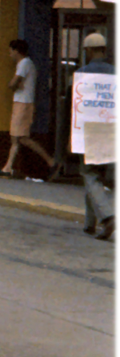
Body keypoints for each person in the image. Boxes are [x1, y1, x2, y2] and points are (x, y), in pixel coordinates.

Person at [0, 39, 59, 178]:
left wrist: (13, 84)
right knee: (18, 139)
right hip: (22, 103)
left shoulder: (24, 64)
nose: (10, 54)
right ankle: (7, 168)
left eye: (11, 50)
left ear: (16, 51)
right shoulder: (26, 64)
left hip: (23, 104)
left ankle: (50, 161)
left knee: (20, 138)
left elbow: (13, 83)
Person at [74, 33, 114, 239]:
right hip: (110, 130)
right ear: (104, 50)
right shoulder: (115, 74)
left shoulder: (82, 74)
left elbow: (75, 108)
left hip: (88, 132)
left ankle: (107, 217)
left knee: (89, 174)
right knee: (94, 176)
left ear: (88, 51)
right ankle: (89, 223)